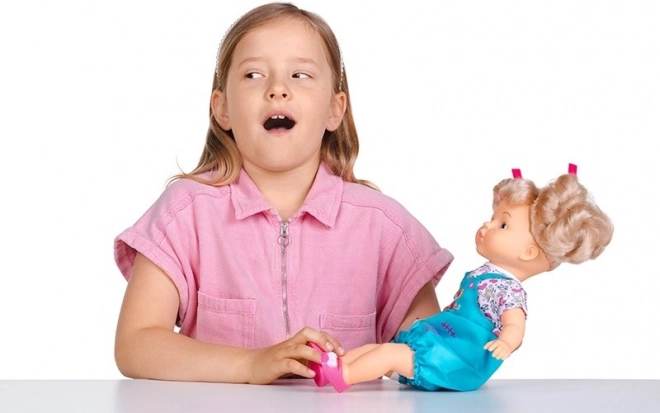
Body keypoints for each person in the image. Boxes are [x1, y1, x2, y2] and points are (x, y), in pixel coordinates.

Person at [113, 2, 453, 384]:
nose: (277, 89)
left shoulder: (386, 227)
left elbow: (436, 357)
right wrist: (251, 364)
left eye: (300, 74)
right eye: (254, 74)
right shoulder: (184, 213)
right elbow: (135, 344)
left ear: (335, 109)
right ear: (222, 108)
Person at [308, 164, 614, 392]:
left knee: (389, 353)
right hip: (443, 342)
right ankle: (337, 364)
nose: (487, 224)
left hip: (458, 359)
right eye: (493, 217)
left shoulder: (508, 291)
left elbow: (515, 324)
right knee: (380, 348)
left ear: (528, 252)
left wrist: (507, 342)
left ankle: (344, 376)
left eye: (503, 225)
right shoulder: (487, 276)